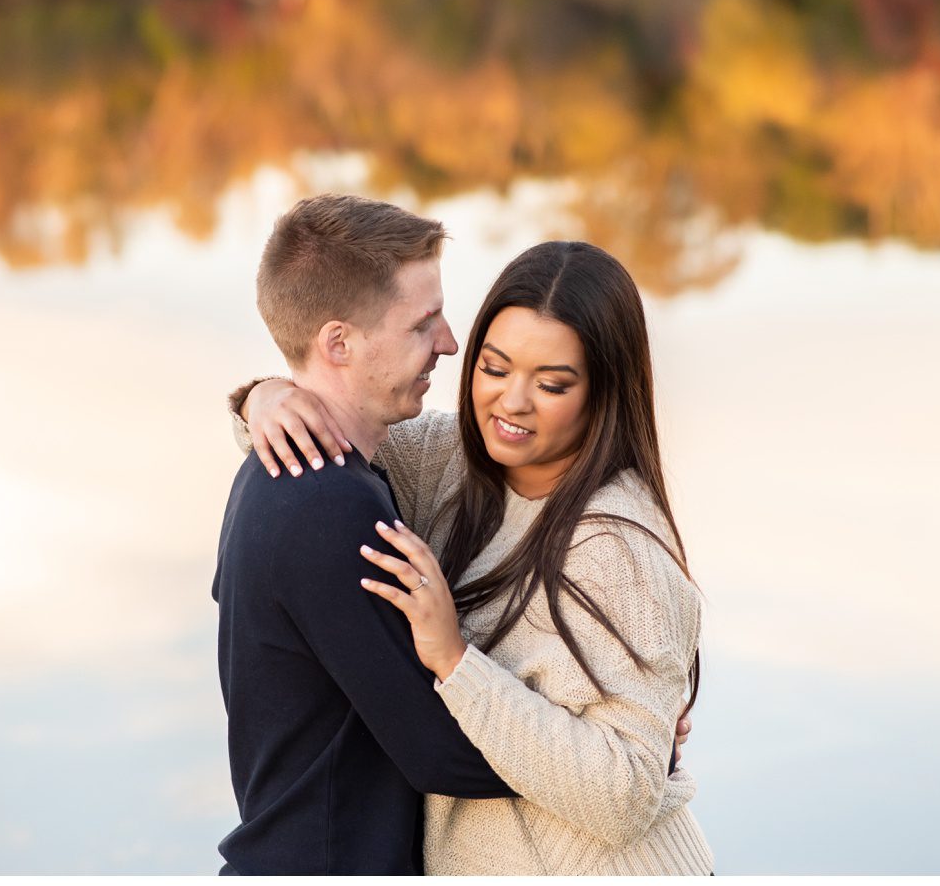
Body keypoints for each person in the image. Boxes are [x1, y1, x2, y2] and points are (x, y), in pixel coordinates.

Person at [237, 240, 712, 874]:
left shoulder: (616, 547)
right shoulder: (451, 461)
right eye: (494, 367)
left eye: (551, 384)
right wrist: (263, 399)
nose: (511, 402)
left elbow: (627, 791)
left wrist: (453, 659)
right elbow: (335, 433)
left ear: (603, 393)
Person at [212, 194, 521, 875]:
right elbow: (438, 749)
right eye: (422, 323)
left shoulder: (280, 475)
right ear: (339, 343)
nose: (450, 341)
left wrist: (256, 394)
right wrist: (619, 753)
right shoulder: (329, 504)